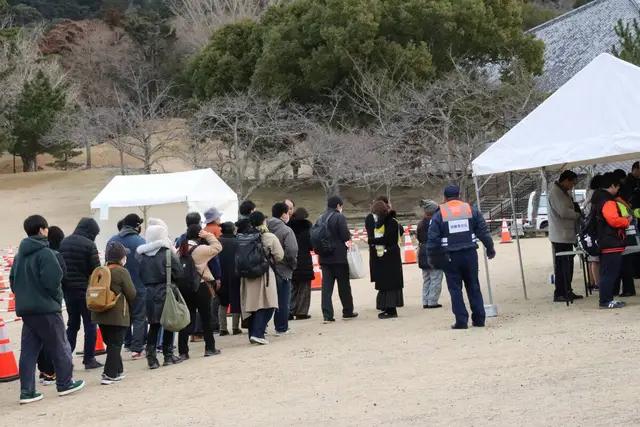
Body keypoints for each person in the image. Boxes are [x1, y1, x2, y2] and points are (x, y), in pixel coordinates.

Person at [10, 215, 84, 404]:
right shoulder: (46, 254)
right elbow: (53, 281)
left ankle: (27, 391)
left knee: (28, 351)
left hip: (27, 310)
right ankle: (65, 383)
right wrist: (56, 299)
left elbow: (13, 282)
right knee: (60, 346)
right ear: (42, 230)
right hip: (46, 308)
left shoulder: (19, 256)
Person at [428, 185, 496, 330]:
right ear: (459, 195)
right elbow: (483, 231)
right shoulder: (471, 210)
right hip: (470, 254)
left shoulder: (440, 213)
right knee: (473, 286)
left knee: (455, 289)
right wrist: (490, 248)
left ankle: (461, 321)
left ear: (445, 197)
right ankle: (479, 319)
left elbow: (432, 239)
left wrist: (432, 258)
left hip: (450, 256)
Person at [137, 222, 184, 369]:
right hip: (166, 291)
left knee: (153, 325)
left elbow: (140, 274)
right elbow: (179, 273)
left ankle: (151, 358)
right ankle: (168, 355)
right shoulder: (168, 254)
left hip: (149, 292)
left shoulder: (141, 256)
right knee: (169, 322)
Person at [59, 217, 102, 369]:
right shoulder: (89, 245)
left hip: (68, 290)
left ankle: (65, 358)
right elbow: (97, 271)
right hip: (85, 290)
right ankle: (89, 359)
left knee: (72, 324)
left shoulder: (63, 242)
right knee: (90, 324)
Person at [91, 242, 137, 385]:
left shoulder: (100, 271)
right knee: (115, 344)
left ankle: (118, 370)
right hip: (117, 314)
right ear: (121, 258)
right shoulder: (121, 272)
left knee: (111, 343)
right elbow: (132, 293)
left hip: (99, 313)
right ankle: (109, 374)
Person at [177, 224, 222, 360]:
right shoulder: (200, 250)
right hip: (201, 286)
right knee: (206, 317)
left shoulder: (180, 250)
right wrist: (208, 235)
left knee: (186, 318)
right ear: (199, 235)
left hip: (184, 287)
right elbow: (218, 247)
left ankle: (183, 352)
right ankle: (210, 348)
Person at [239, 211, 284, 345]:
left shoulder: (243, 236)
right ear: (263, 221)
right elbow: (279, 255)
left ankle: (252, 334)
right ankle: (258, 333)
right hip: (264, 274)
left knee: (252, 305)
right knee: (269, 304)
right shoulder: (269, 236)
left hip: (246, 275)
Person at [107, 214, 146, 360]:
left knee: (124, 315)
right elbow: (144, 264)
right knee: (139, 317)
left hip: (116, 286)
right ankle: (137, 349)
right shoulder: (140, 241)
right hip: (138, 284)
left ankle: (128, 342)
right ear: (136, 226)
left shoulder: (112, 240)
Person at [591, 172, 630, 309]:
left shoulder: (597, 198)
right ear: (613, 186)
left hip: (604, 241)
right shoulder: (607, 201)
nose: (618, 190)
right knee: (609, 273)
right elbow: (613, 220)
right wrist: (626, 221)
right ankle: (606, 300)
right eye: (618, 187)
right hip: (610, 242)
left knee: (606, 272)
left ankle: (606, 299)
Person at [317, 196, 358, 323]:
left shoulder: (321, 218)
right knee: (343, 285)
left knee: (326, 287)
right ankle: (347, 311)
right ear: (338, 206)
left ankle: (327, 314)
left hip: (324, 256)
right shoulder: (339, 217)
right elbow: (345, 236)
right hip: (339, 256)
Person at [37, 226, 67, 386]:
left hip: (32, 304)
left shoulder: (30, 254)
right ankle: (52, 373)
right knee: (54, 340)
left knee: (38, 340)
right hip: (49, 304)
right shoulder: (53, 256)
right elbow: (61, 279)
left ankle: (43, 371)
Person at [547, 170, 583, 302]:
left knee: (568, 265)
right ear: (566, 180)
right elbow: (563, 212)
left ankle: (567, 290)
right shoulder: (555, 193)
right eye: (573, 183)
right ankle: (560, 292)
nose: (573, 186)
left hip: (566, 234)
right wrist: (577, 214)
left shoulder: (563, 192)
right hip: (560, 235)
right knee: (562, 266)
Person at [368, 200, 404, 319]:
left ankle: (391, 309)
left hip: (391, 256)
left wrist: (371, 241)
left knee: (390, 283)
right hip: (385, 256)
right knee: (386, 283)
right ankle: (387, 307)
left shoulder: (392, 222)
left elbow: (388, 239)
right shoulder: (385, 222)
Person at [267, 202, 299, 335]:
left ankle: (260, 327)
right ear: (283, 215)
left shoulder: (265, 228)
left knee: (266, 300)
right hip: (283, 269)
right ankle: (281, 327)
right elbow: (292, 250)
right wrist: (292, 264)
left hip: (266, 268)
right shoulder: (286, 230)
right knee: (283, 300)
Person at [612, 171, 640, 297]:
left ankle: (628, 289)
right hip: (630, 236)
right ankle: (624, 289)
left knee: (624, 263)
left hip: (626, 237)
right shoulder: (623, 202)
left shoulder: (618, 203)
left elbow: (624, 219)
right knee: (624, 262)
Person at [417, 199, 443, 309]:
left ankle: (425, 300)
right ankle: (433, 301)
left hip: (422, 251)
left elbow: (419, 238)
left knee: (426, 279)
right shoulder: (436, 222)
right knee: (436, 277)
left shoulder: (420, 223)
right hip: (434, 251)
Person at [288, 207, 314, 320]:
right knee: (304, 287)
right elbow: (311, 245)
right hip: (304, 260)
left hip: (291, 260)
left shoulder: (288, 227)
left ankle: (290, 310)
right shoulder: (307, 228)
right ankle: (302, 312)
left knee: (292, 287)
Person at [217, 222, 242, 335]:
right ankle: (235, 327)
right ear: (232, 230)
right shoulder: (237, 241)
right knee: (236, 300)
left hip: (220, 274)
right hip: (235, 274)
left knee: (222, 302)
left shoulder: (217, 241)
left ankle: (222, 328)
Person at [584, 175, 603, 292]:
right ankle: (597, 283)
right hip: (594, 230)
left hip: (590, 231)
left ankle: (593, 282)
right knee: (595, 259)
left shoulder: (590, 194)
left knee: (592, 259)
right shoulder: (595, 196)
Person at [365, 196, 389, 287]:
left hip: (378, 249)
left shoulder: (388, 218)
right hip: (380, 250)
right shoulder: (372, 218)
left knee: (382, 281)